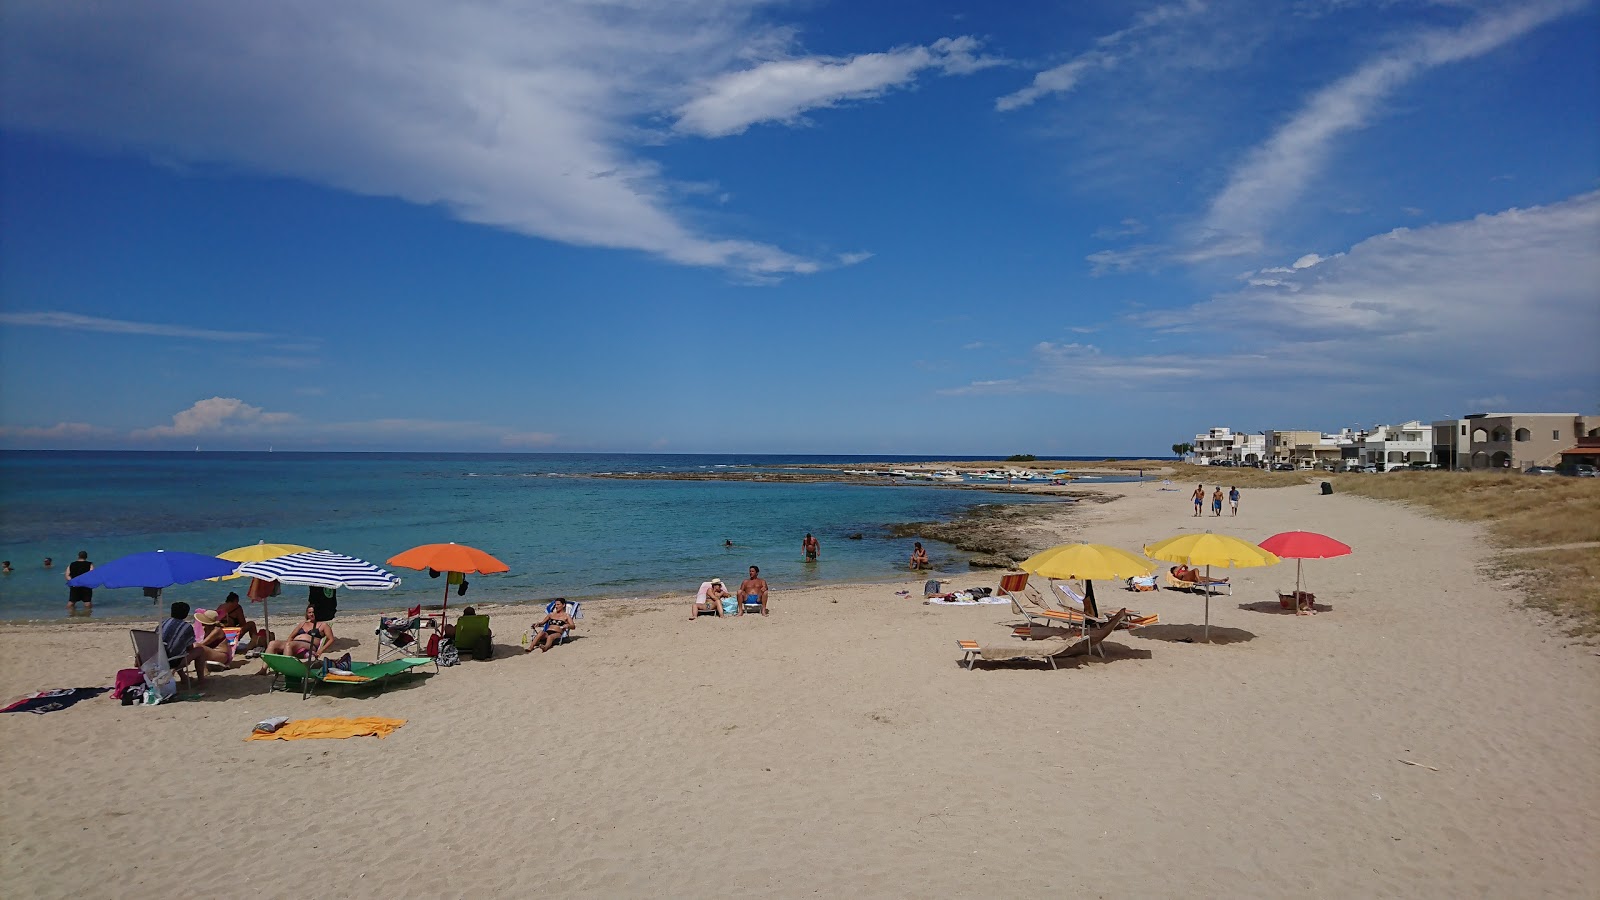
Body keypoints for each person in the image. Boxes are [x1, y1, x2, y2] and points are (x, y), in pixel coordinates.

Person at [261, 604, 333, 665]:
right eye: (309, 612)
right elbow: (291, 637)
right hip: (295, 644)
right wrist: (286, 645)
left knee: (289, 645)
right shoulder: (302, 624)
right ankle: (264, 669)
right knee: (272, 643)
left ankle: (287, 669)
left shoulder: (323, 625)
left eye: (313, 612)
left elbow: (331, 639)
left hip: (309, 645)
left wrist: (321, 650)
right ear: (307, 614)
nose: (311, 614)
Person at [155, 601, 203, 687]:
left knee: (175, 649)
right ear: (185, 614)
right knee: (200, 650)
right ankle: (201, 681)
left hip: (155, 659)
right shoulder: (187, 627)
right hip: (171, 661)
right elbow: (190, 648)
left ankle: (184, 677)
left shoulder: (162, 624)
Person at [66, 550, 93, 616]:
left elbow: (67, 574)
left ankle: (69, 614)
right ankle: (87, 615)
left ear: (78, 556)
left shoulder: (72, 564)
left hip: (75, 585)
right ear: (86, 557)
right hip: (86, 585)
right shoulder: (89, 564)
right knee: (87, 603)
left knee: (71, 602)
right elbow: (92, 574)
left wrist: (73, 581)